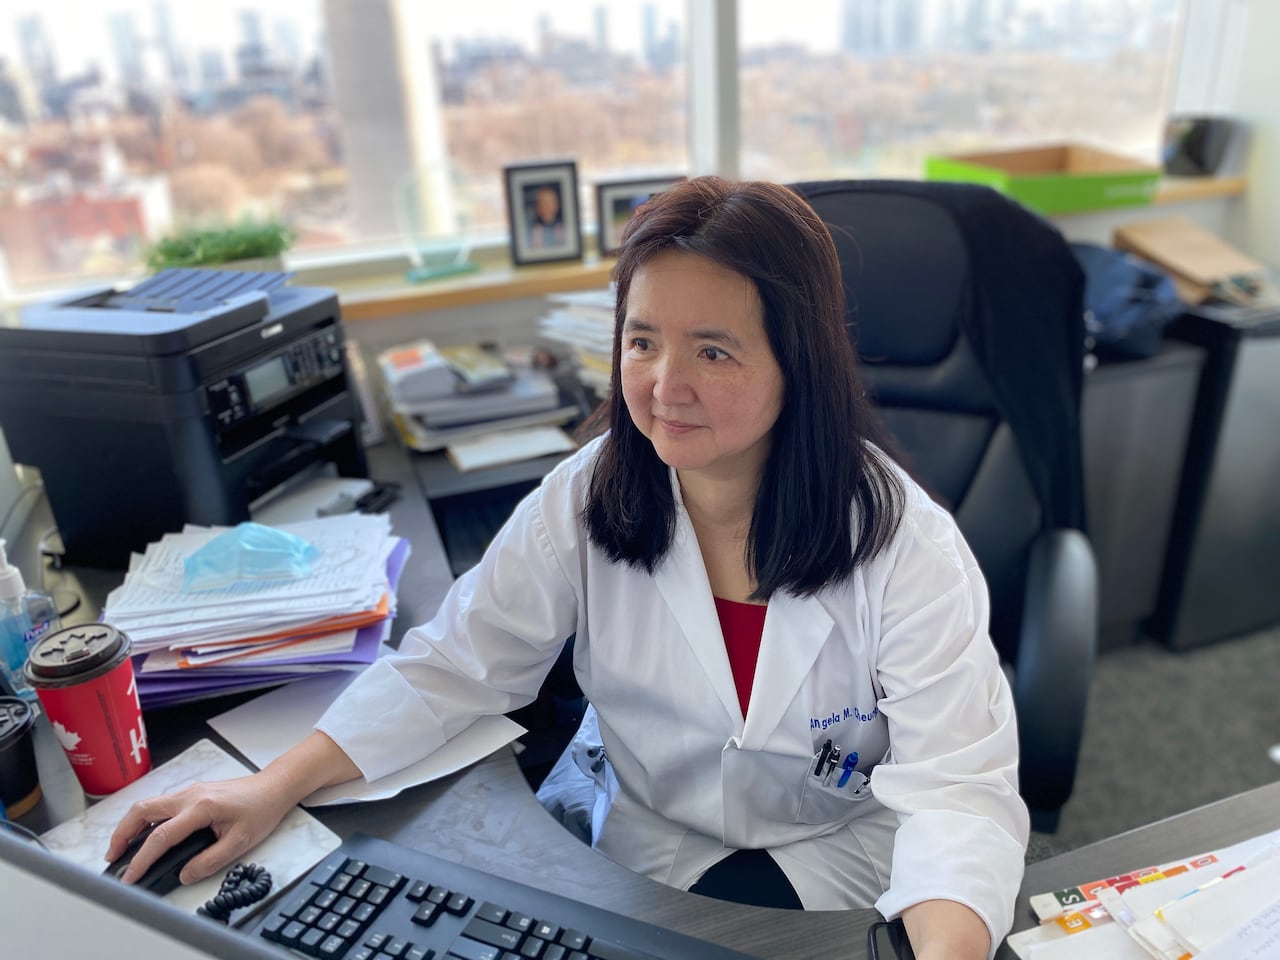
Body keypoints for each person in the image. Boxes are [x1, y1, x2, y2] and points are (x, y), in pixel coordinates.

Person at [108, 177, 1028, 960]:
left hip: (841, 855)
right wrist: (273, 784)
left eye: (714, 349)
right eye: (642, 340)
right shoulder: (587, 495)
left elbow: (960, 796)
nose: (665, 384)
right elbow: (456, 666)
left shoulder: (904, 544)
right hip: (638, 846)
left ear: (801, 361)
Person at [526, 183, 566, 250]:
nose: (544, 208)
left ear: (556, 205)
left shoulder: (563, 227)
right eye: (540, 203)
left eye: (548, 203)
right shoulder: (533, 230)